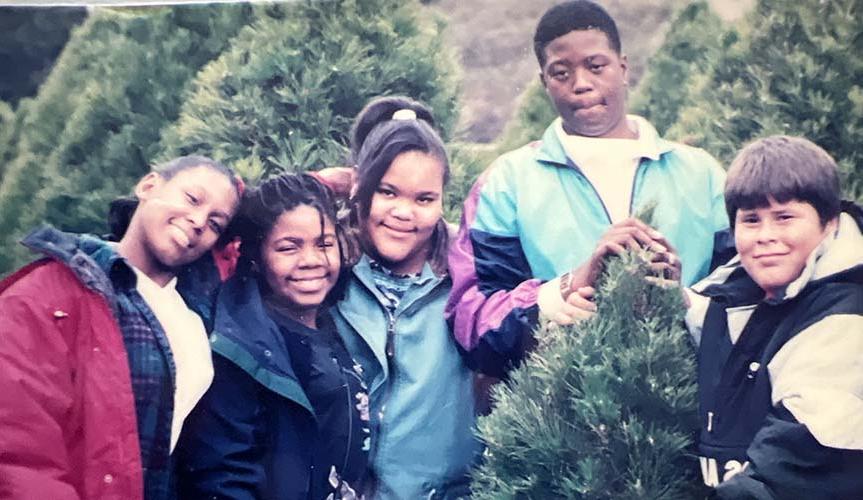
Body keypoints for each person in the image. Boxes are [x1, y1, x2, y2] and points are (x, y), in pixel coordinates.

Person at [446, 0, 733, 378]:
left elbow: (747, 299)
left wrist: (682, 301)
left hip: (686, 412)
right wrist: (563, 292)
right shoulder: (506, 183)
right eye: (561, 73)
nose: (581, 84)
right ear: (544, 82)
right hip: (560, 416)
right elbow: (472, 322)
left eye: (596, 66)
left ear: (623, 67)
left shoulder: (702, 174)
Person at [0, 155, 243, 500]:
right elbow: (17, 452)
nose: (199, 221)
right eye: (192, 199)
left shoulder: (195, 316)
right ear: (148, 186)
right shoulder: (50, 293)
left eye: (216, 223)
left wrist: (327, 186)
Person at [681, 136, 863, 498]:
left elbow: (792, 466)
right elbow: (702, 316)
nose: (766, 236)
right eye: (751, 220)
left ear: (828, 223)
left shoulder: (845, 319)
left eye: (784, 218)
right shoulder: (735, 292)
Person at [175, 173, 369, 500]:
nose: (311, 261)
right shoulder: (239, 350)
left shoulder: (336, 321)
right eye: (288, 247)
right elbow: (223, 477)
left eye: (324, 244)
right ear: (257, 256)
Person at [329, 96, 481, 499]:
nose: (403, 212)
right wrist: (322, 187)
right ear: (359, 185)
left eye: (424, 199)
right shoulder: (325, 266)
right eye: (388, 192)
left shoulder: (468, 275)